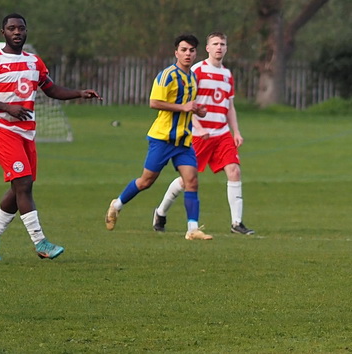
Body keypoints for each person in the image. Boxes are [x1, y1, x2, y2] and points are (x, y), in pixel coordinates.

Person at [0, 13, 102, 261]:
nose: (17, 32)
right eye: (11, 28)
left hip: (26, 132)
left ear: (26, 31)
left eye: (21, 28)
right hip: (1, 129)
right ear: (3, 33)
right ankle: (41, 243)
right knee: (24, 184)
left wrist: (79, 93)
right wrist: (6, 107)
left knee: (20, 184)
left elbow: (50, 89)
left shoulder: (34, 61)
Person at [104, 34, 213, 241]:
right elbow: (154, 102)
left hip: (183, 140)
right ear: (176, 53)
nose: (187, 54)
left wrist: (197, 110)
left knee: (192, 181)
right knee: (146, 181)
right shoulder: (167, 76)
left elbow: (188, 105)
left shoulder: (193, 77)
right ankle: (116, 205)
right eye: (183, 50)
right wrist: (183, 107)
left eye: (191, 50)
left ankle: (192, 230)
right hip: (162, 138)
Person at [153, 32, 254, 235]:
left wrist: (236, 131)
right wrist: (198, 128)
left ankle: (237, 223)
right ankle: (161, 212)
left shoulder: (227, 74)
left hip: (222, 133)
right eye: (215, 44)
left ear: (226, 48)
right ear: (207, 48)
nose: (219, 47)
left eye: (222, 44)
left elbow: (230, 106)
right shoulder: (197, 70)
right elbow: (189, 101)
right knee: (186, 180)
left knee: (234, 171)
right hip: (200, 135)